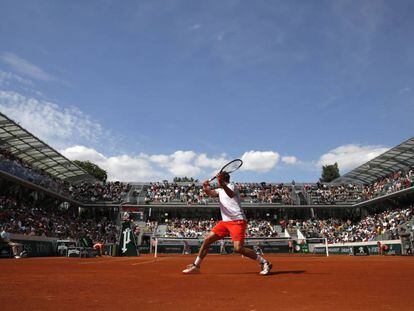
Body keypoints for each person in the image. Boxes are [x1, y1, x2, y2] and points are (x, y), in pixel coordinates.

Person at [182, 172, 272, 275]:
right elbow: (210, 193)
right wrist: (205, 187)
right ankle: (196, 266)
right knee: (207, 240)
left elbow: (230, 194)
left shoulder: (232, 186)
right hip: (225, 222)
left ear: (222, 179)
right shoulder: (220, 190)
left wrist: (222, 184)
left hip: (237, 221)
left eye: (218, 180)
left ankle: (265, 262)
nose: (217, 182)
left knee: (238, 248)